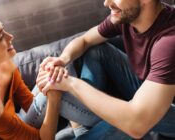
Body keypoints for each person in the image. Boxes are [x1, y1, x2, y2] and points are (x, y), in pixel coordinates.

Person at [37, 0, 175, 139]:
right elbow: (85, 40)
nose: (106, 2)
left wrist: (71, 84)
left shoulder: (169, 42)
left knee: (126, 120)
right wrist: (62, 59)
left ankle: (81, 126)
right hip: (148, 88)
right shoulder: (127, 17)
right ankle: (83, 121)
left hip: (169, 113)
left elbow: (136, 124)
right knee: (97, 50)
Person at [0, 7, 62, 140]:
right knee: (57, 82)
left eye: (3, 29)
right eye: (0, 37)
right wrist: (55, 96)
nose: (10, 37)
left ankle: (79, 126)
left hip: (16, 124)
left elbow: (28, 102)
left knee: (55, 71)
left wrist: (49, 83)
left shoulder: (4, 64)